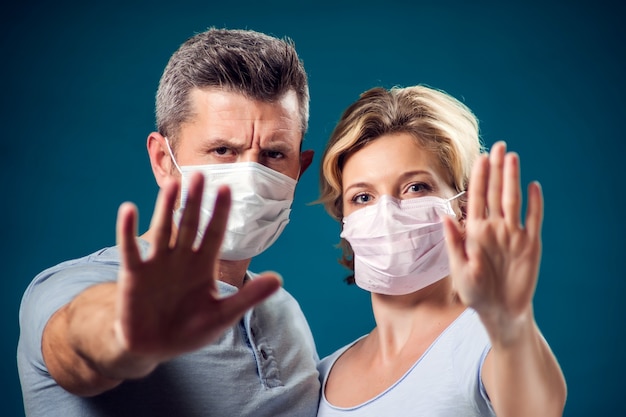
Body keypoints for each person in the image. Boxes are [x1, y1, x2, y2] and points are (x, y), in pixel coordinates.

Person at [17, 28, 321, 417]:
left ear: (300, 168)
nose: (250, 176)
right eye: (222, 150)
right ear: (163, 160)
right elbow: (77, 345)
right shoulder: (74, 286)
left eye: (275, 154)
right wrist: (126, 332)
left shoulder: (285, 312)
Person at [316, 85, 567, 416]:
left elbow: (538, 409)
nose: (387, 212)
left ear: (464, 207)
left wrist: (511, 322)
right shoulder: (323, 374)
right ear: (345, 222)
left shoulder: (489, 343)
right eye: (363, 197)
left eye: (415, 187)